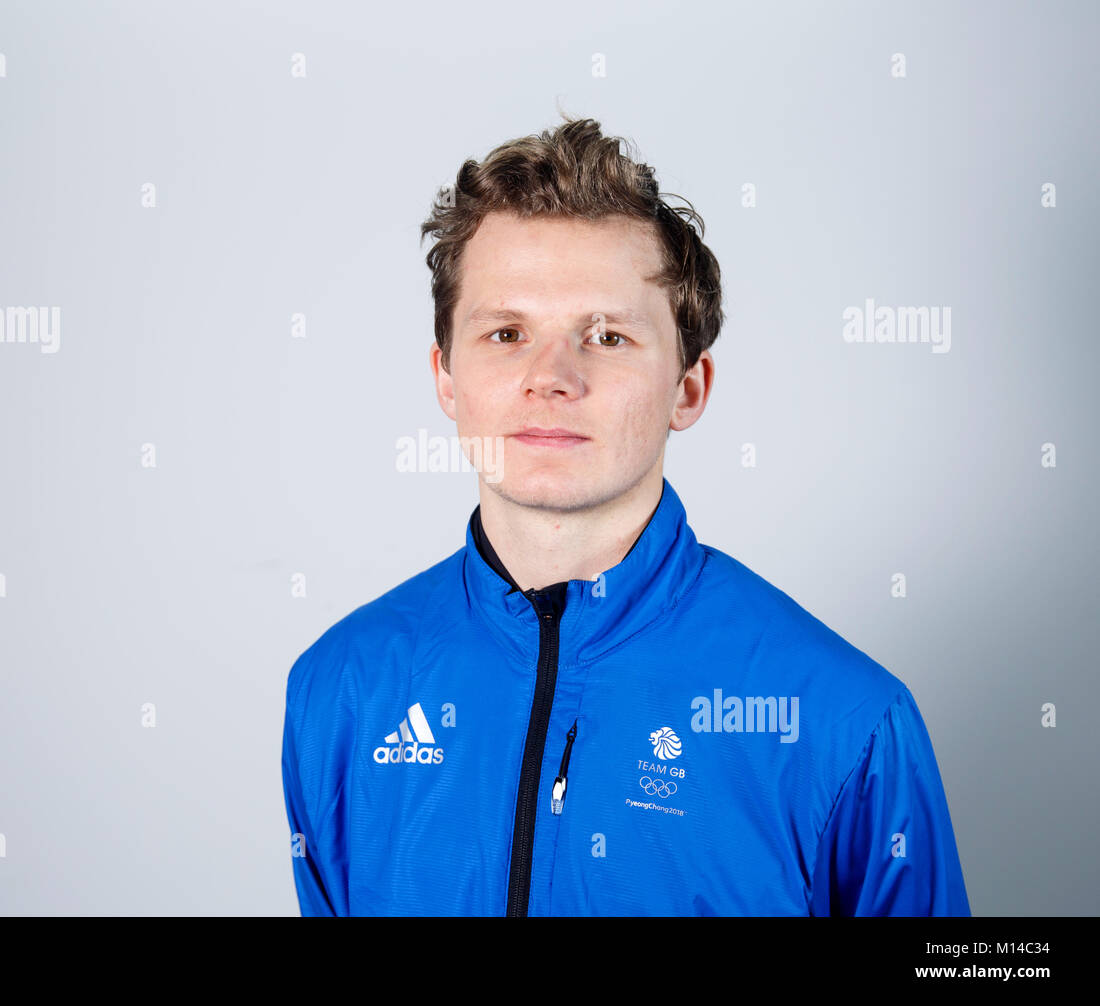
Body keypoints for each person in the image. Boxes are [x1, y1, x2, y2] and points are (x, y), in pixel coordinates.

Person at [280, 115, 971, 916]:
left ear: (688, 388)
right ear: (445, 377)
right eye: (506, 333)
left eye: (606, 336)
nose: (552, 377)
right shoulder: (340, 691)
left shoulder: (844, 721)